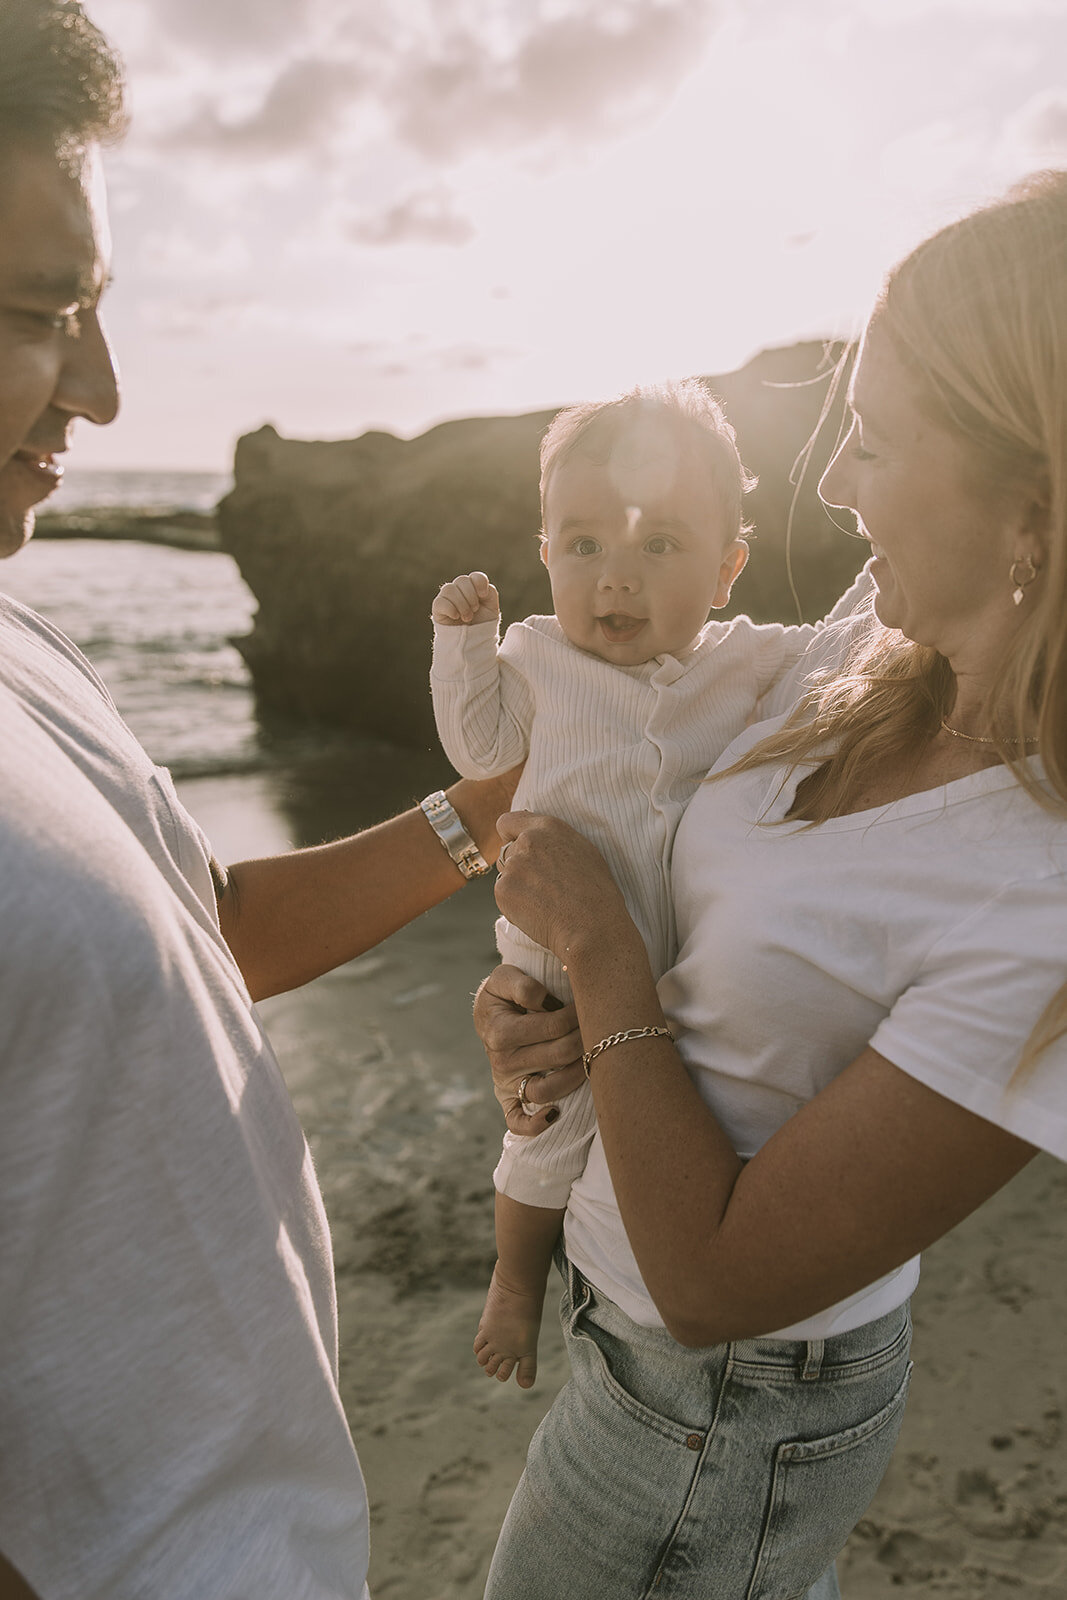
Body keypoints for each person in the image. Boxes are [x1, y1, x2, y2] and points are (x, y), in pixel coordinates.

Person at [474, 169, 1067, 1600]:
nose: (827, 485)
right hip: (627, 1348)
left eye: (869, 442)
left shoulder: (1041, 901)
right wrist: (532, 1003)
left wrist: (604, 959)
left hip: (726, 1402)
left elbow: (719, 1280)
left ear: (1028, 504)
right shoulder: (886, 628)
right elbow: (642, 770)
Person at [0, 6, 514, 1597]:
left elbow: (201, 928)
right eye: (39, 310)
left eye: (92, 305)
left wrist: (482, 815)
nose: (100, 385)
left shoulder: (18, 634)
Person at [430, 382, 868, 1389]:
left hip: (684, 956)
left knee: (656, 1111)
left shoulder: (745, 660)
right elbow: (477, 742)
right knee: (547, 1123)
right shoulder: (535, 657)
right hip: (554, 955)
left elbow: (840, 651)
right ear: (545, 556)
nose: (613, 580)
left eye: (658, 547)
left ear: (726, 570)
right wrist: (463, 641)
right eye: (581, 546)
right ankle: (514, 1280)